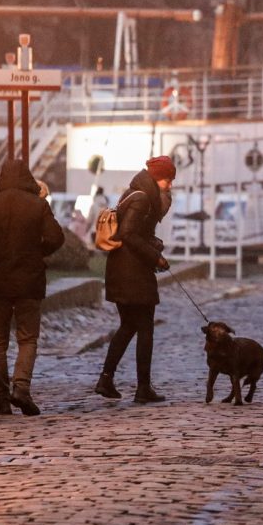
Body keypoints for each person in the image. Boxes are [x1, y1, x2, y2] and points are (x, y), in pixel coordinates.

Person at [0, 159, 65, 416]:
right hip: (29, 281)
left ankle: (1, 399)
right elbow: (56, 237)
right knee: (27, 338)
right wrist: (38, 252)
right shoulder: (37, 205)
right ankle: (21, 388)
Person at [94, 156, 175, 403]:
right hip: (133, 272)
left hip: (123, 269)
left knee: (129, 326)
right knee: (145, 328)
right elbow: (128, 234)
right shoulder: (141, 198)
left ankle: (106, 379)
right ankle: (142, 388)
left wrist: (153, 243)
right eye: (167, 179)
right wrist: (156, 257)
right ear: (156, 177)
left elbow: (137, 232)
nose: (170, 185)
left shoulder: (137, 193)